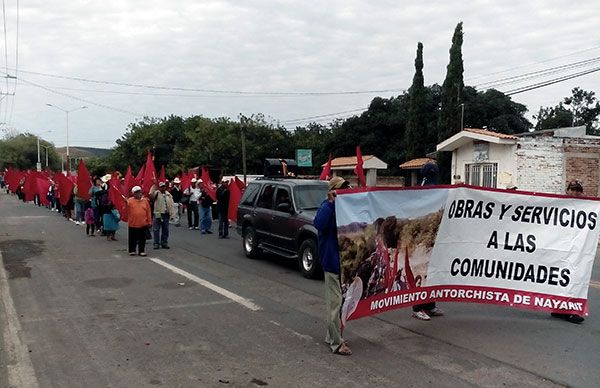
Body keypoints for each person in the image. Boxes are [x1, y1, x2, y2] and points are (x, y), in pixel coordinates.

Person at [313, 176, 352, 356]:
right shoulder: (326, 207)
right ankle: (337, 343)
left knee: (342, 305)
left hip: (345, 264)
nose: (345, 191)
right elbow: (318, 224)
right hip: (332, 263)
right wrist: (330, 203)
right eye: (342, 188)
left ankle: (332, 336)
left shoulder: (346, 209)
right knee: (334, 305)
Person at [412, 159, 444, 321]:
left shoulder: (424, 186)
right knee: (423, 273)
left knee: (431, 273)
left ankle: (430, 304)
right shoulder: (428, 188)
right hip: (425, 237)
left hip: (431, 235)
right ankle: (418, 307)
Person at [551, 180, 586, 324]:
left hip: (576, 249)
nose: (575, 192)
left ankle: (566, 309)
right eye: (572, 189)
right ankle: (562, 309)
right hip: (561, 247)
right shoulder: (560, 204)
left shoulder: (586, 207)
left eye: (578, 190)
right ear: (567, 190)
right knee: (560, 279)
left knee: (574, 278)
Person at [126, 186, 152, 256]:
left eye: (139, 192)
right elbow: (125, 209)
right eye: (136, 193)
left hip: (143, 223)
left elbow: (148, 212)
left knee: (142, 239)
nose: (139, 194)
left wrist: (149, 221)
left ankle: (141, 250)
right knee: (132, 238)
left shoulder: (145, 201)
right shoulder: (129, 201)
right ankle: (132, 250)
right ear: (133, 194)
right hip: (133, 223)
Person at [150, 181, 176, 249]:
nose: (163, 188)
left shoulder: (168, 195)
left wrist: (172, 214)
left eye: (164, 186)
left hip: (166, 214)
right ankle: (156, 243)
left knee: (165, 229)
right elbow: (151, 194)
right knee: (156, 229)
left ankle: (164, 242)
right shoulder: (156, 193)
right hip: (158, 213)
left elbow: (171, 205)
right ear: (159, 187)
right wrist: (153, 186)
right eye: (161, 187)